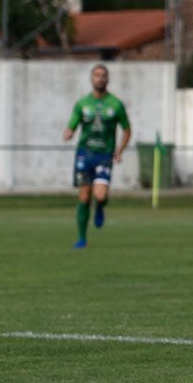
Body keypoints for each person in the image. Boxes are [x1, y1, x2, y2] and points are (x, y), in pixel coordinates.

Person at [64, 63, 132, 249]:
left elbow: (127, 130)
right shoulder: (82, 104)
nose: (100, 78)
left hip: (104, 155)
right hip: (84, 154)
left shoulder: (115, 105)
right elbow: (72, 124)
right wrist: (69, 132)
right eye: (96, 75)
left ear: (107, 79)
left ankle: (100, 207)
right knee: (84, 197)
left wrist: (120, 150)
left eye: (103, 75)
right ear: (91, 79)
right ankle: (81, 239)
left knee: (100, 196)